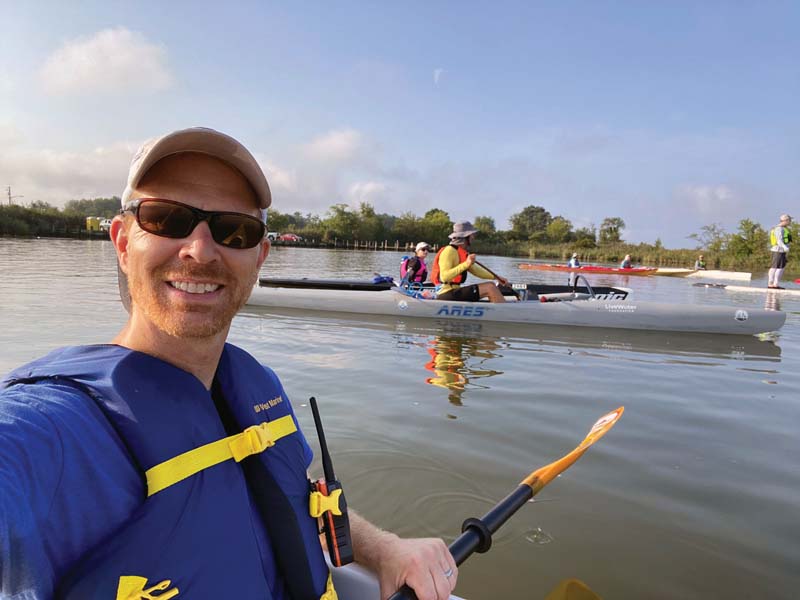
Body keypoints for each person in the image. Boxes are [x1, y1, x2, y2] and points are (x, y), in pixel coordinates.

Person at [0, 128, 458, 600]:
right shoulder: (50, 429)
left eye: (233, 229)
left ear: (258, 256)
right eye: (166, 219)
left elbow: (294, 499)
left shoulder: (257, 388)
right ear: (121, 241)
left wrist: (384, 548)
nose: (199, 250)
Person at [430, 221, 509, 303]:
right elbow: (444, 277)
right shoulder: (449, 251)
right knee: (490, 287)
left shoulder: (461, 253)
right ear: (465, 236)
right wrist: (466, 264)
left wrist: (496, 277)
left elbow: (477, 272)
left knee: (491, 285)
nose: (473, 237)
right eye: (472, 235)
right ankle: (506, 313)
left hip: (455, 291)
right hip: (445, 293)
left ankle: (499, 310)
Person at [768, 214, 792, 289]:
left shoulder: (783, 228)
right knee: (776, 267)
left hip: (781, 251)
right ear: (786, 220)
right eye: (789, 220)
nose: (790, 222)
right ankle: (771, 284)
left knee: (781, 267)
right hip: (778, 250)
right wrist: (785, 247)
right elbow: (779, 240)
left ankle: (775, 284)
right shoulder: (779, 229)